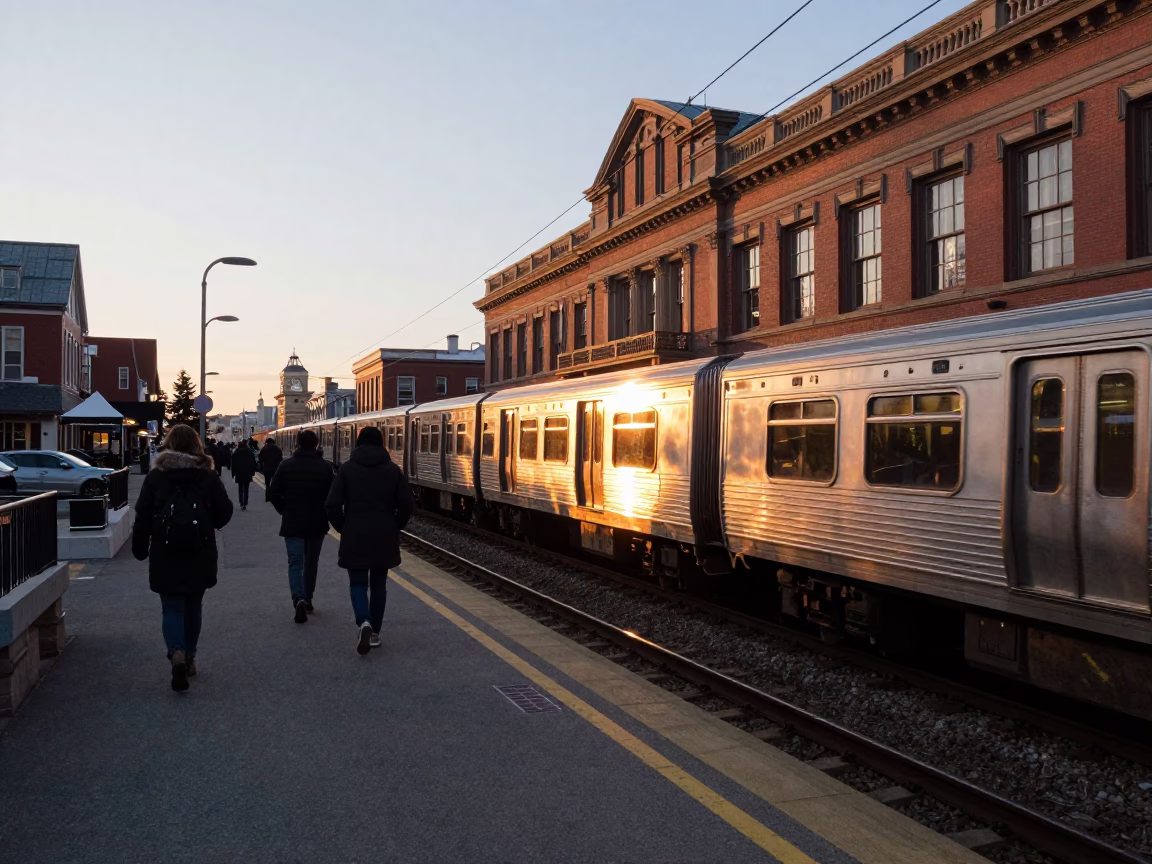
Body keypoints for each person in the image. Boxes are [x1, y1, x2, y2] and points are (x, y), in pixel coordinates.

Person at [131, 424, 233, 692]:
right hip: (200, 550)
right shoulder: (207, 476)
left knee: (172, 607)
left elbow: (142, 515)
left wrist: (140, 547)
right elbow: (223, 515)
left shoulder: (156, 477)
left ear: (169, 444)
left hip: (166, 551)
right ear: (197, 444)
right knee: (193, 606)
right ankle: (189, 656)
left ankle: (175, 652)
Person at [325, 425, 413, 654]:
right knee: (379, 584)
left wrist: (344, 527)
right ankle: (374, 632)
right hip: (384, 533)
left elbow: (332, 504)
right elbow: (406, 504)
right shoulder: (393, 471)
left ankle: (363, 620)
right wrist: (395, 525)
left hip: (355, 532)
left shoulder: (347, 470)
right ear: (381, 443)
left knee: (357, 583)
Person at [267, 429, 335, 623]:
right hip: (317, 522)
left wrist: (285, 511)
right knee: (311, 562)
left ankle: (298, 597)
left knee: (295, 562)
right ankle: (309, 599)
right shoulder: (324, 467)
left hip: (293, 521)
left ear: (297, 444)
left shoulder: (286, 466)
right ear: (316, 444)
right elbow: (333, 497)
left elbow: (273, 493)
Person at [231, 437, 258, 510]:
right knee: (246, 488)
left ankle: (241, 502)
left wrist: (233, 473)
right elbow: (253, 463)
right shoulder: (249, 452)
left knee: (240, 488)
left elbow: (233, 464)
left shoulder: (236, 452)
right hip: (247, 473)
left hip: (239, 473)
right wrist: (253, 473)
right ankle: (245, 503)